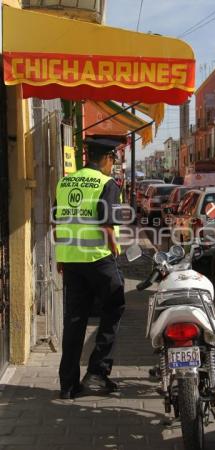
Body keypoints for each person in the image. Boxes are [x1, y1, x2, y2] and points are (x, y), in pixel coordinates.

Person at [54, 137, 125, 399]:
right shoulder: (107, 183)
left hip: (71, 260)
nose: (112, 166)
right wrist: (115, 250)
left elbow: (56, 221)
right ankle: (97, 372)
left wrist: (61, 256)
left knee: (75, 320)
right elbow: (107, 224)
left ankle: (68, 385)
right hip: (98, 258)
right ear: (106, 158)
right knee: (115, 305)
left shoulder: (65, 182)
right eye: (113, 160)